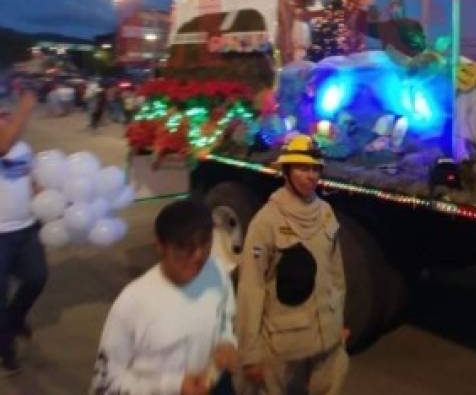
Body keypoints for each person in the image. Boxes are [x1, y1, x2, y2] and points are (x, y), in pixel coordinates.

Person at [89, 200, 239, 395]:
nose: (198, 256)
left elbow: (224, 318)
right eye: (184, 247)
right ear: (159, 247)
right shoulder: (132, 303)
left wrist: (227, 342)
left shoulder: (216, 271)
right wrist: (173, 385)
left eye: (205, 243)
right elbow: (105, 386)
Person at [237, 135, 347, 395]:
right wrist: (250, 353)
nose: (311, 176)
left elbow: (336, 275)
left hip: (328, 342)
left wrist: (340, 321)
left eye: (315, 169)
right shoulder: (266, 222)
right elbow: (251, 288)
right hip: (286, 346)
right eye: (302, 168)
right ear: (286, 171)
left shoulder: (326, 213)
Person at [0, 90, 44, 376]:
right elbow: (3, 147)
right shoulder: (5, 144)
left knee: (37, 278)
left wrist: (43, 194)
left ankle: (15, 319)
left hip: (27, 229)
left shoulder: (24, 148)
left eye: (6, 115)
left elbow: (30, 179)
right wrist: (26, 107)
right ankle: (6, 348)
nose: (4, 120)